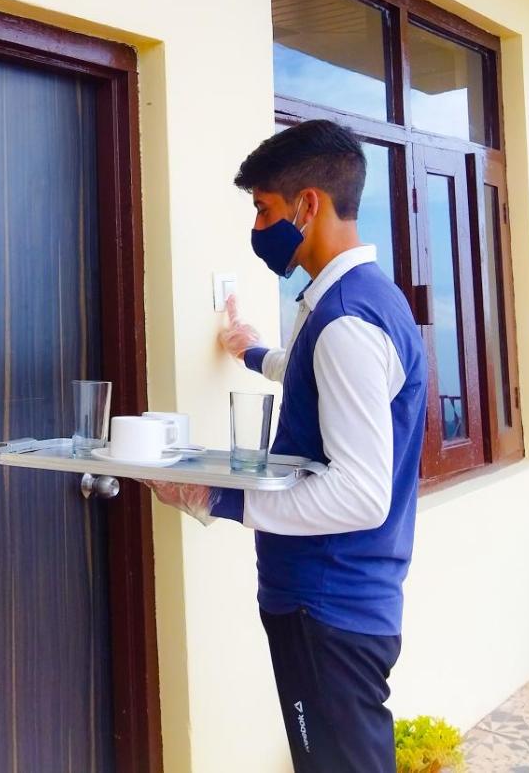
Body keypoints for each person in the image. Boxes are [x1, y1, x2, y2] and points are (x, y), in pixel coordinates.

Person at [151, 119, 427, 773]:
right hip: (338, 603)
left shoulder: (346, 323)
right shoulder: (361, 300)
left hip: (325, 607)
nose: (258, 228)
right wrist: (253, 352)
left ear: (308, 205)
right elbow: (322, 378)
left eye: (264, 210)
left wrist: (218, 498)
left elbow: (360, 495)